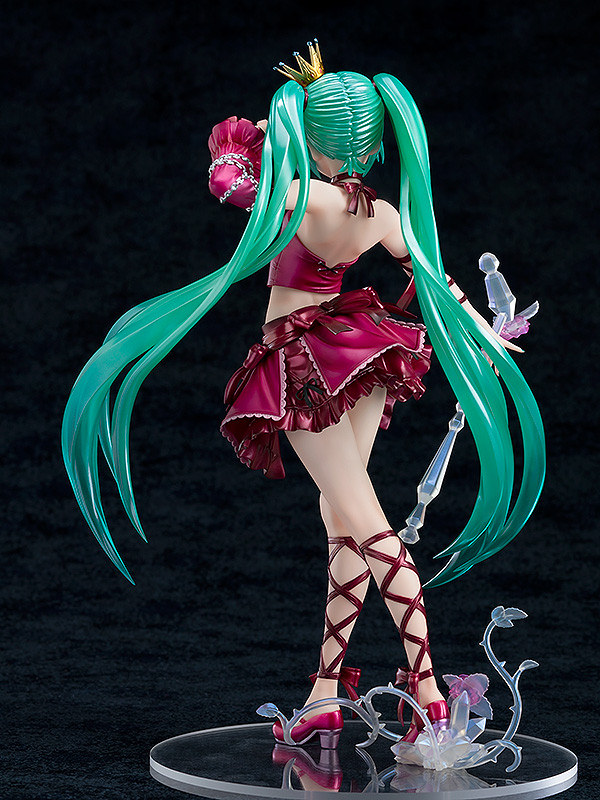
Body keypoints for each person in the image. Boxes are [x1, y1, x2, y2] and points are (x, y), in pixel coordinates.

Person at [62, 41, 545, 749]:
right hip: (360, 352)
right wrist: (483, 333)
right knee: (342, 518)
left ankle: (428, 691)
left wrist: (259, 135)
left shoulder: (300, 196)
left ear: (313, 137)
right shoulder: (382, 214)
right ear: (371, 143)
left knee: (366, 522)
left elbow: (226, 182)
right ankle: (324, 691)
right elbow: (438, 282)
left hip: (305, 364)